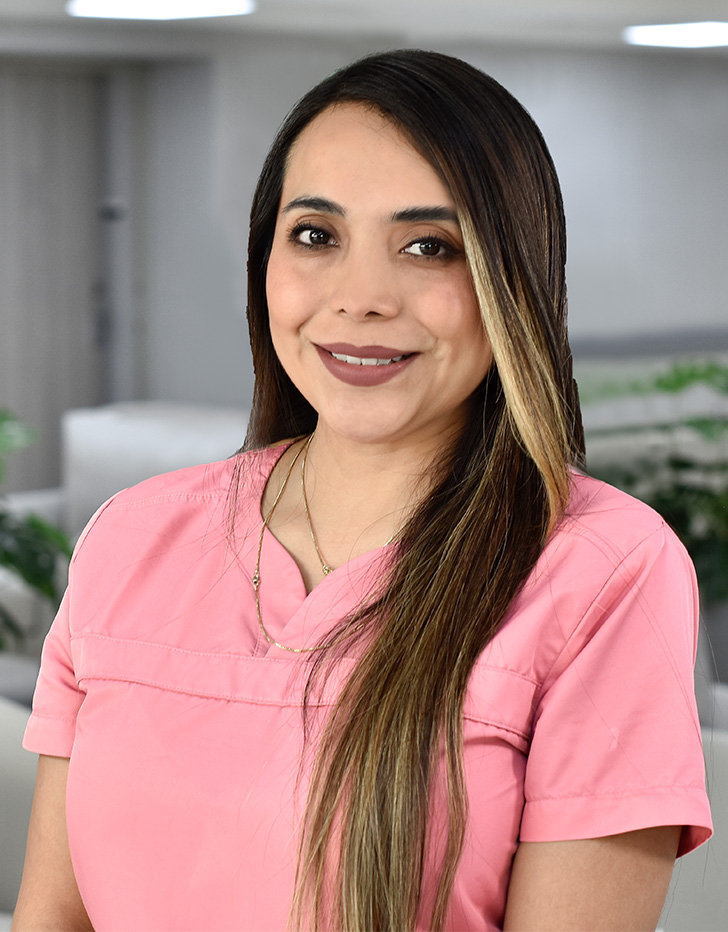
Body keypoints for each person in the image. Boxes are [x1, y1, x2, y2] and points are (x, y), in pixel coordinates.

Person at [13, 49, 711, 932]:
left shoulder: (603, 570)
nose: (362, 298)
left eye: (429, 246)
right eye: (317, 235)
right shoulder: (132, 538)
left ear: (513, 278)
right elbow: (53, 917)